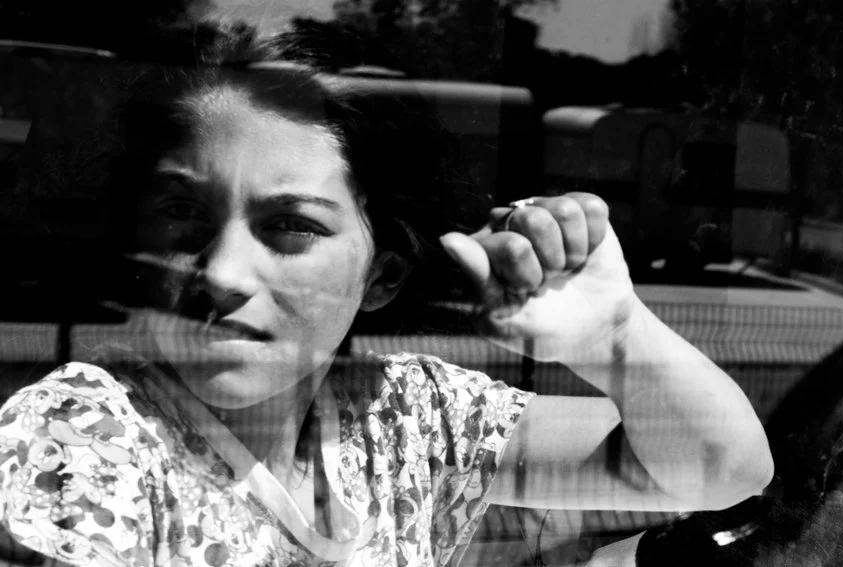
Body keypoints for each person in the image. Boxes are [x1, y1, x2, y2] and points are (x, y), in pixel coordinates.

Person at [0, 22, 773, 567]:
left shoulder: (408, 419)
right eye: (182, 213)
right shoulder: (80, 438)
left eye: (291, 225)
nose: (224, 273)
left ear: (383, 275)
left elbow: (721, 469)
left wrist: (616, 338)